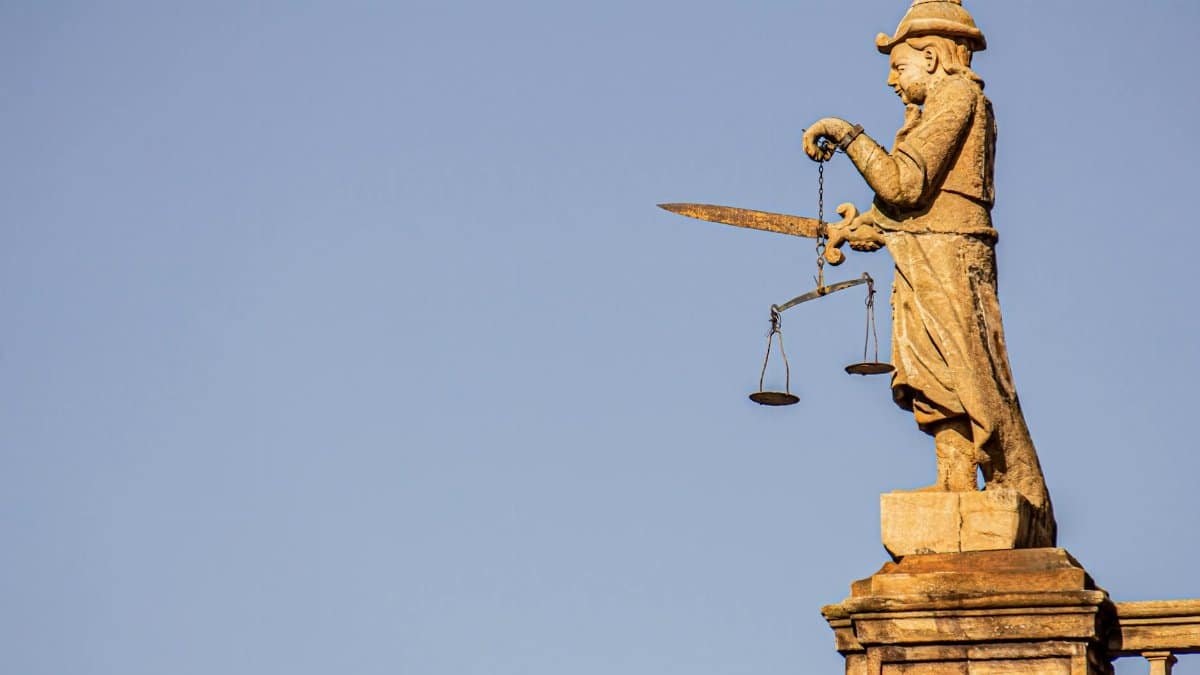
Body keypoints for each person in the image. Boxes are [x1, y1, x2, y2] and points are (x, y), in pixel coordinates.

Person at [801, 0, 1055, 543]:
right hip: (925, 251)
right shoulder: (933, 108)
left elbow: (904, 184)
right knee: (929, 370)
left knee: (969, 371)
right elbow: (909, 203)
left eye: (899, 66)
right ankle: (954, 478)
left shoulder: (959, 96)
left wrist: (845, 133)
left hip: (950, 258)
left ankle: (1021, 489)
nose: (893, 80)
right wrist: (866, 224)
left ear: (934, 57)